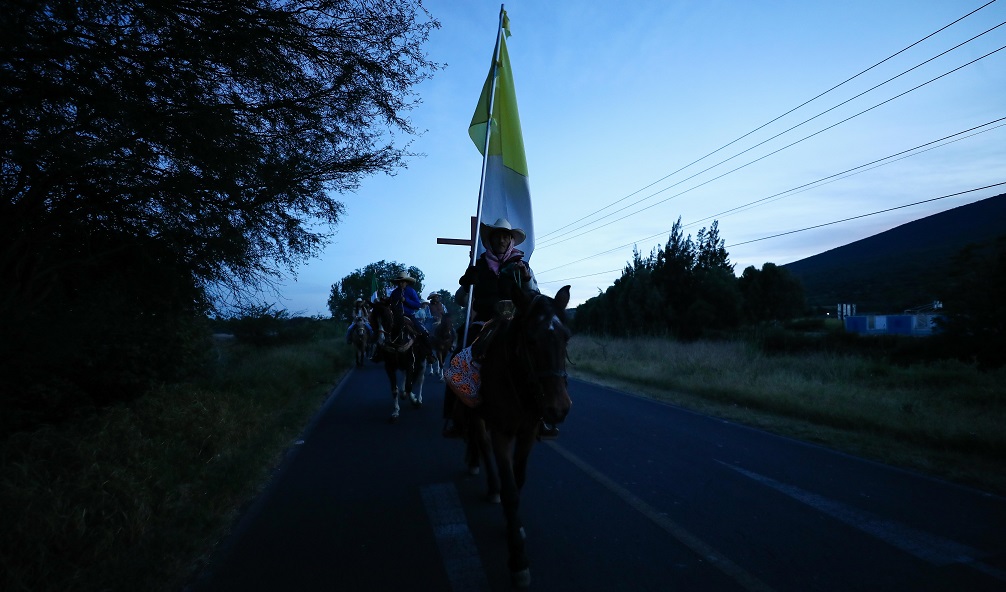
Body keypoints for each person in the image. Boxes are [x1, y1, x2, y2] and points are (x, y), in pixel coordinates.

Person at [443, 217, 558, 439]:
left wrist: (525, 280)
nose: (502, 240)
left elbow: (534, 293)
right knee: (459, 355)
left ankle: (542, 415)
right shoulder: (479, 265)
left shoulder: (521, 265)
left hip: (515, 321)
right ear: (491, 240)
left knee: (540, 356)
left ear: (511, 240)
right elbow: (461, 300)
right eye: (498, 236)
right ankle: (455, 414)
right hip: (484, 321)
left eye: (506, 236)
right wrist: (467, 284)